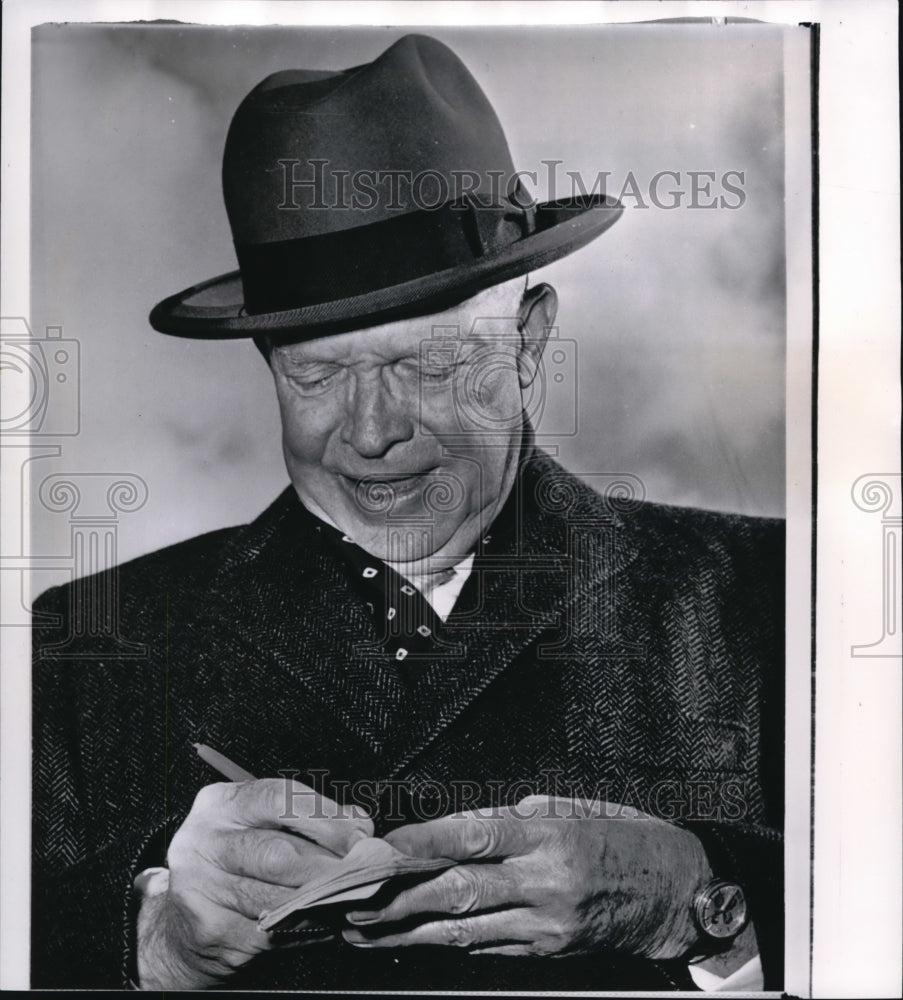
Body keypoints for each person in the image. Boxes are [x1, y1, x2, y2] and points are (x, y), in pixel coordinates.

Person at [31, 34, 783, 992]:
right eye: (316, 372)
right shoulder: (81, 648)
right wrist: (153, 942)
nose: (372, 432)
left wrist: (703, 903)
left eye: (425, 365)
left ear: (529, 341)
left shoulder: (773, 602)